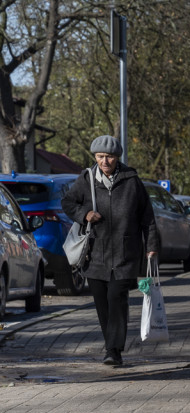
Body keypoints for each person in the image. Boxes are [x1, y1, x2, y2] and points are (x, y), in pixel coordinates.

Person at [61, 135, 158, 367]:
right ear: (95, 157)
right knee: (102, 303)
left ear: (118, 157)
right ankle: (111, 345)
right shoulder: (86, 179)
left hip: (125, 254)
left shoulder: (131, 180)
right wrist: (85, 214)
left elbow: (148, 218)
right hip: (95, 255)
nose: (105, 161)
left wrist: (152, 247)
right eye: (100, 157)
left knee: (117, 298)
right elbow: (68, 203)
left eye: (110, 157)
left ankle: (113, 350)